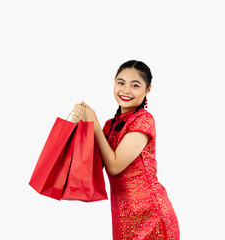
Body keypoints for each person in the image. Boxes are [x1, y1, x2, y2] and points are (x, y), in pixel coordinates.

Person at [72, 60, 180, 239]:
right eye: (121, 82)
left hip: (151, 216)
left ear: (148, 90)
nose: (126, 90)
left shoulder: (143, 120)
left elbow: (114, 166)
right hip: (123, 215)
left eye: (135, 85)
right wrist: (82, 128)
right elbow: (94, 169)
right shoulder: (110, 125)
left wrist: (95, 125)